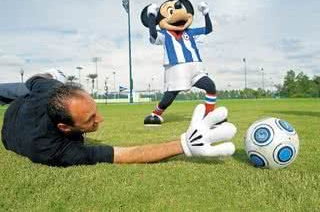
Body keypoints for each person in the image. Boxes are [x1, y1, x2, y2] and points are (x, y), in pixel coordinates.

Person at [1, 69, 237, 167]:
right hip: (12, 126)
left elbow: (35, 81)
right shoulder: (54, 150)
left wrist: (42, 79)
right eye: (91, 119)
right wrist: (184, 144)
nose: (100, 119)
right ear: (64, 127)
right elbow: (124, 154)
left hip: (28, 99)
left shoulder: (50, 88)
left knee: (33, 84)